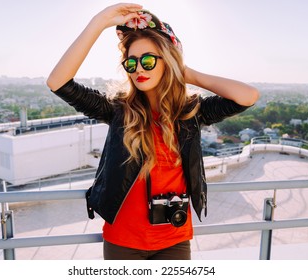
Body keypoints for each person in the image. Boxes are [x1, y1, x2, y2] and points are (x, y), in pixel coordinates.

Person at [47, 3, 259, 260]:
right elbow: (57, 82)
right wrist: (98, 22)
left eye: (148, 61)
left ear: (167, 62)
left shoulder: (190, 112)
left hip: (174, 238)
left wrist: (186, 73)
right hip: (122, 241)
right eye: (131, 62)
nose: (138, 68)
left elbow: (248, 96)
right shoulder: (118, 111)